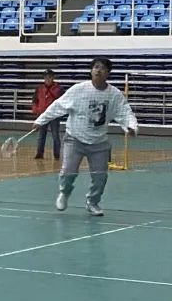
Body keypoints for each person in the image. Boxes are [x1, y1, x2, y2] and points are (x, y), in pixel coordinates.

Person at [32, 57, 137, 217]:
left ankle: (92, 202)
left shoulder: (114, 94)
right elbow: (58, 105)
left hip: (99, 142)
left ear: (108, 73)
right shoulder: (78, 89)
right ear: (91, 70)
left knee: (100, 177)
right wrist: (41, 120)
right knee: (68, 172)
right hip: (75, 139)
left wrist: (131, 126)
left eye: (102, 68)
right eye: (95, 67)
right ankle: (65, 192)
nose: (98, 70)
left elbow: (125, 112)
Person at [32, 69, 64, 160]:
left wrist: (59, 113)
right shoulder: (39, 88)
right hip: (42, 115)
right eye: (46, 77)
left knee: (55, 136)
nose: (48, 79)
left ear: (53, 78)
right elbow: (34, 100)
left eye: (49, 77)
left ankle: (56, 155)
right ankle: (39, 153)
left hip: (54, 116)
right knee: (41, 136)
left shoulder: (59, 89)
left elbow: (63, 102)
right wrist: (36, 110)